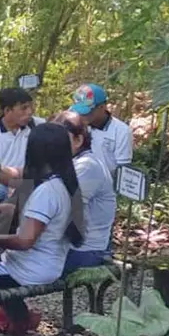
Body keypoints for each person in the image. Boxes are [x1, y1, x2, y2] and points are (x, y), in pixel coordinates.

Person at [0, 123, 86, 335]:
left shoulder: (47, 192)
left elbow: (25, 241)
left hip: (29, 271)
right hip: (47, 264)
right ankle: (21, 317)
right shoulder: (65, 183)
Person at [53, 111, 115, 272]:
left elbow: (60, 209)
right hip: (70, 247)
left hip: (84, 251)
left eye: (58, 139)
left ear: (79, 140)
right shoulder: (72, 162)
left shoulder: (87, 166)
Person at [0, 87, 45, 202]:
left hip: (31, 182)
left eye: (31, 106)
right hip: (0, 184)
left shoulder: (39, 126)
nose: (30, 112)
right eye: (24, 108)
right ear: (7, 110)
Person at [69, 83, 133, 177]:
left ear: (102, 107)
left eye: (87, 111)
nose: (83, 115)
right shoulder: (77, 125)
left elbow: (123, 170)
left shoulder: (121, 131)